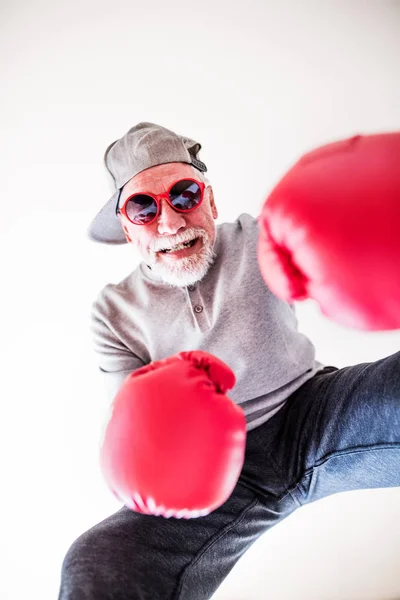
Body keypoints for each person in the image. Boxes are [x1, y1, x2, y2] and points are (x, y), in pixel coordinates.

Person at [58, 122, 400, 599]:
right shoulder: (114, 313)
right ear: (126, 228)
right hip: (216, 479)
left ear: (210, 202)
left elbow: (364, 236)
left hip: (317, 411)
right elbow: (127, 434)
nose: (171, 222)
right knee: (98, 561)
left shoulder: (261, 238)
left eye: (184, 194)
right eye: (143, 206)